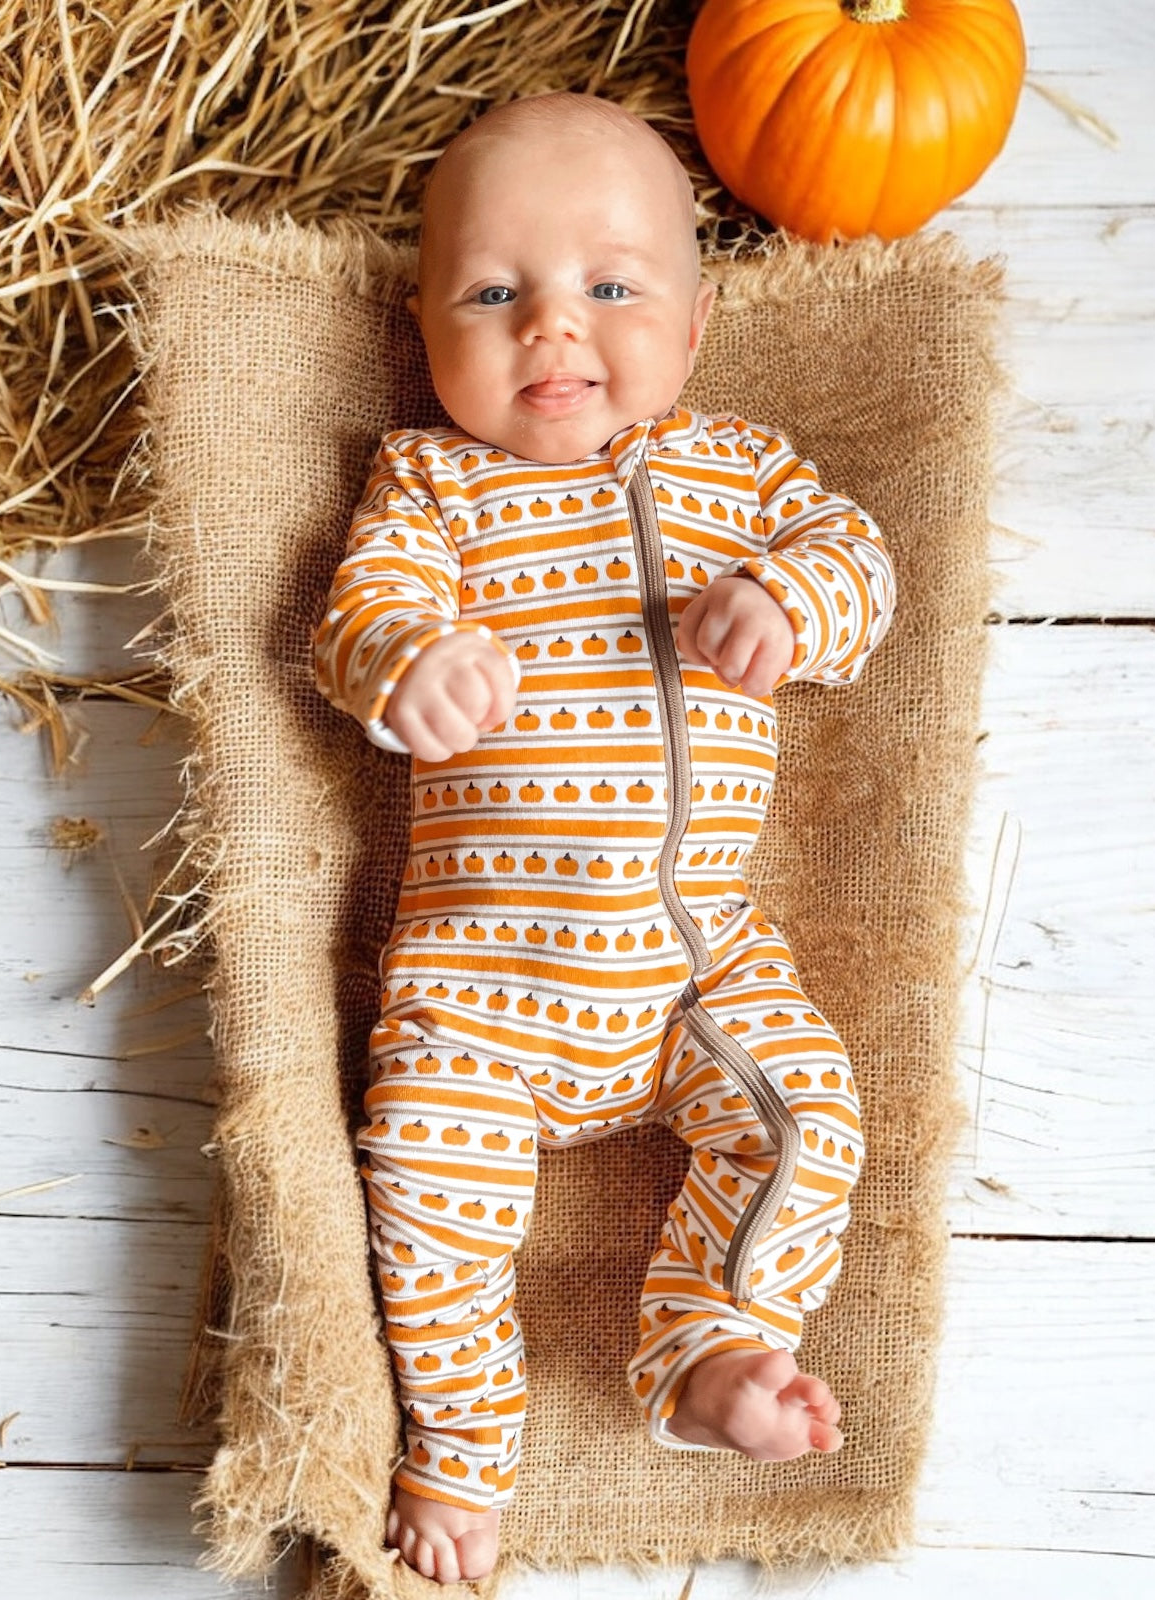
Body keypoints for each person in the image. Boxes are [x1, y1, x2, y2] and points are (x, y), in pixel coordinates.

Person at [314, 90, 895, 1586]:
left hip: (703, 959)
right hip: (479, 986)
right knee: (425, 1184)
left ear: (693, 335)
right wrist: (409, 666)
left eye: (612, 289)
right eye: (496, 294)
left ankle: (714, 1345)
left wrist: (790, 606)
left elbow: (858, 560)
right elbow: (359, 612)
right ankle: (459, 1451)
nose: (554, 332)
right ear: (428, 326)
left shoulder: (743, 475)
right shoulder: (432, 483)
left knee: (806, 1115)